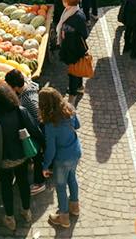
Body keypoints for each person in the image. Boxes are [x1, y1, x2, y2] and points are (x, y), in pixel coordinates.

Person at [0, 84, 42, 230]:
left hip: (3, 159)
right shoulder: (20, 111)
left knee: (6, 187)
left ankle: (10, 218)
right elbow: (34, 130)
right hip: (21, 156)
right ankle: (26, 211)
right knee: (23, 182)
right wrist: (43, 145)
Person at [40, 86, 83, 228]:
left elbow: (51, 150)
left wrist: (45, 166)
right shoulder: (69, 108)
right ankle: (75, 207)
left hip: (62, 159)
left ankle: (63, 216)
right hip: (75, 151)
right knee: (72, 178)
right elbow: (77, 125)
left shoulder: (50, 124)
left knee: (60, 186)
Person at [56, 0, 89, 97]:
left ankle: (73, 90)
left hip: (73, 48)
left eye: (63, 0)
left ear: (67, 3)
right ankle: (79, 86)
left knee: (73, 71)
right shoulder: (70, 11)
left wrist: (67, 33)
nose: (62, 1)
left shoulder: (77, 16)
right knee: (77, 68)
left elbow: (84, 33)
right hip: (71, 46)